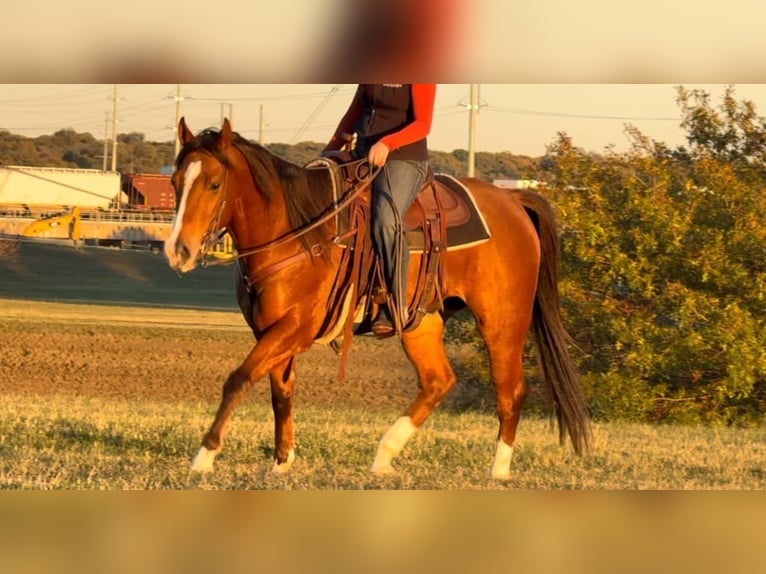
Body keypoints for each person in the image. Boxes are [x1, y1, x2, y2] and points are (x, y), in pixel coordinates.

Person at [324, 84, 437, 336]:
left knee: (385, 220)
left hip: (404, 158)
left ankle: (396, 303)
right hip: (363, 155)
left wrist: (388, 143)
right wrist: (327, 153)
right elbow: (351, 117)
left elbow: (423, 124)